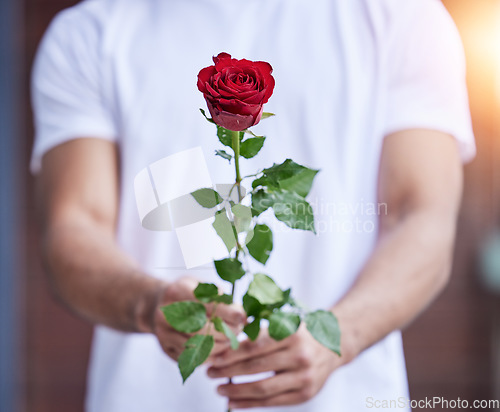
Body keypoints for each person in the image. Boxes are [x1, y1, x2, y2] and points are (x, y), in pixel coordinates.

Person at [31, 0, 475, 411]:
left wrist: (339, 336)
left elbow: (422, 217)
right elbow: (74, 225)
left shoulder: (400, 15)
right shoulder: (91, 33)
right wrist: (150, 303)